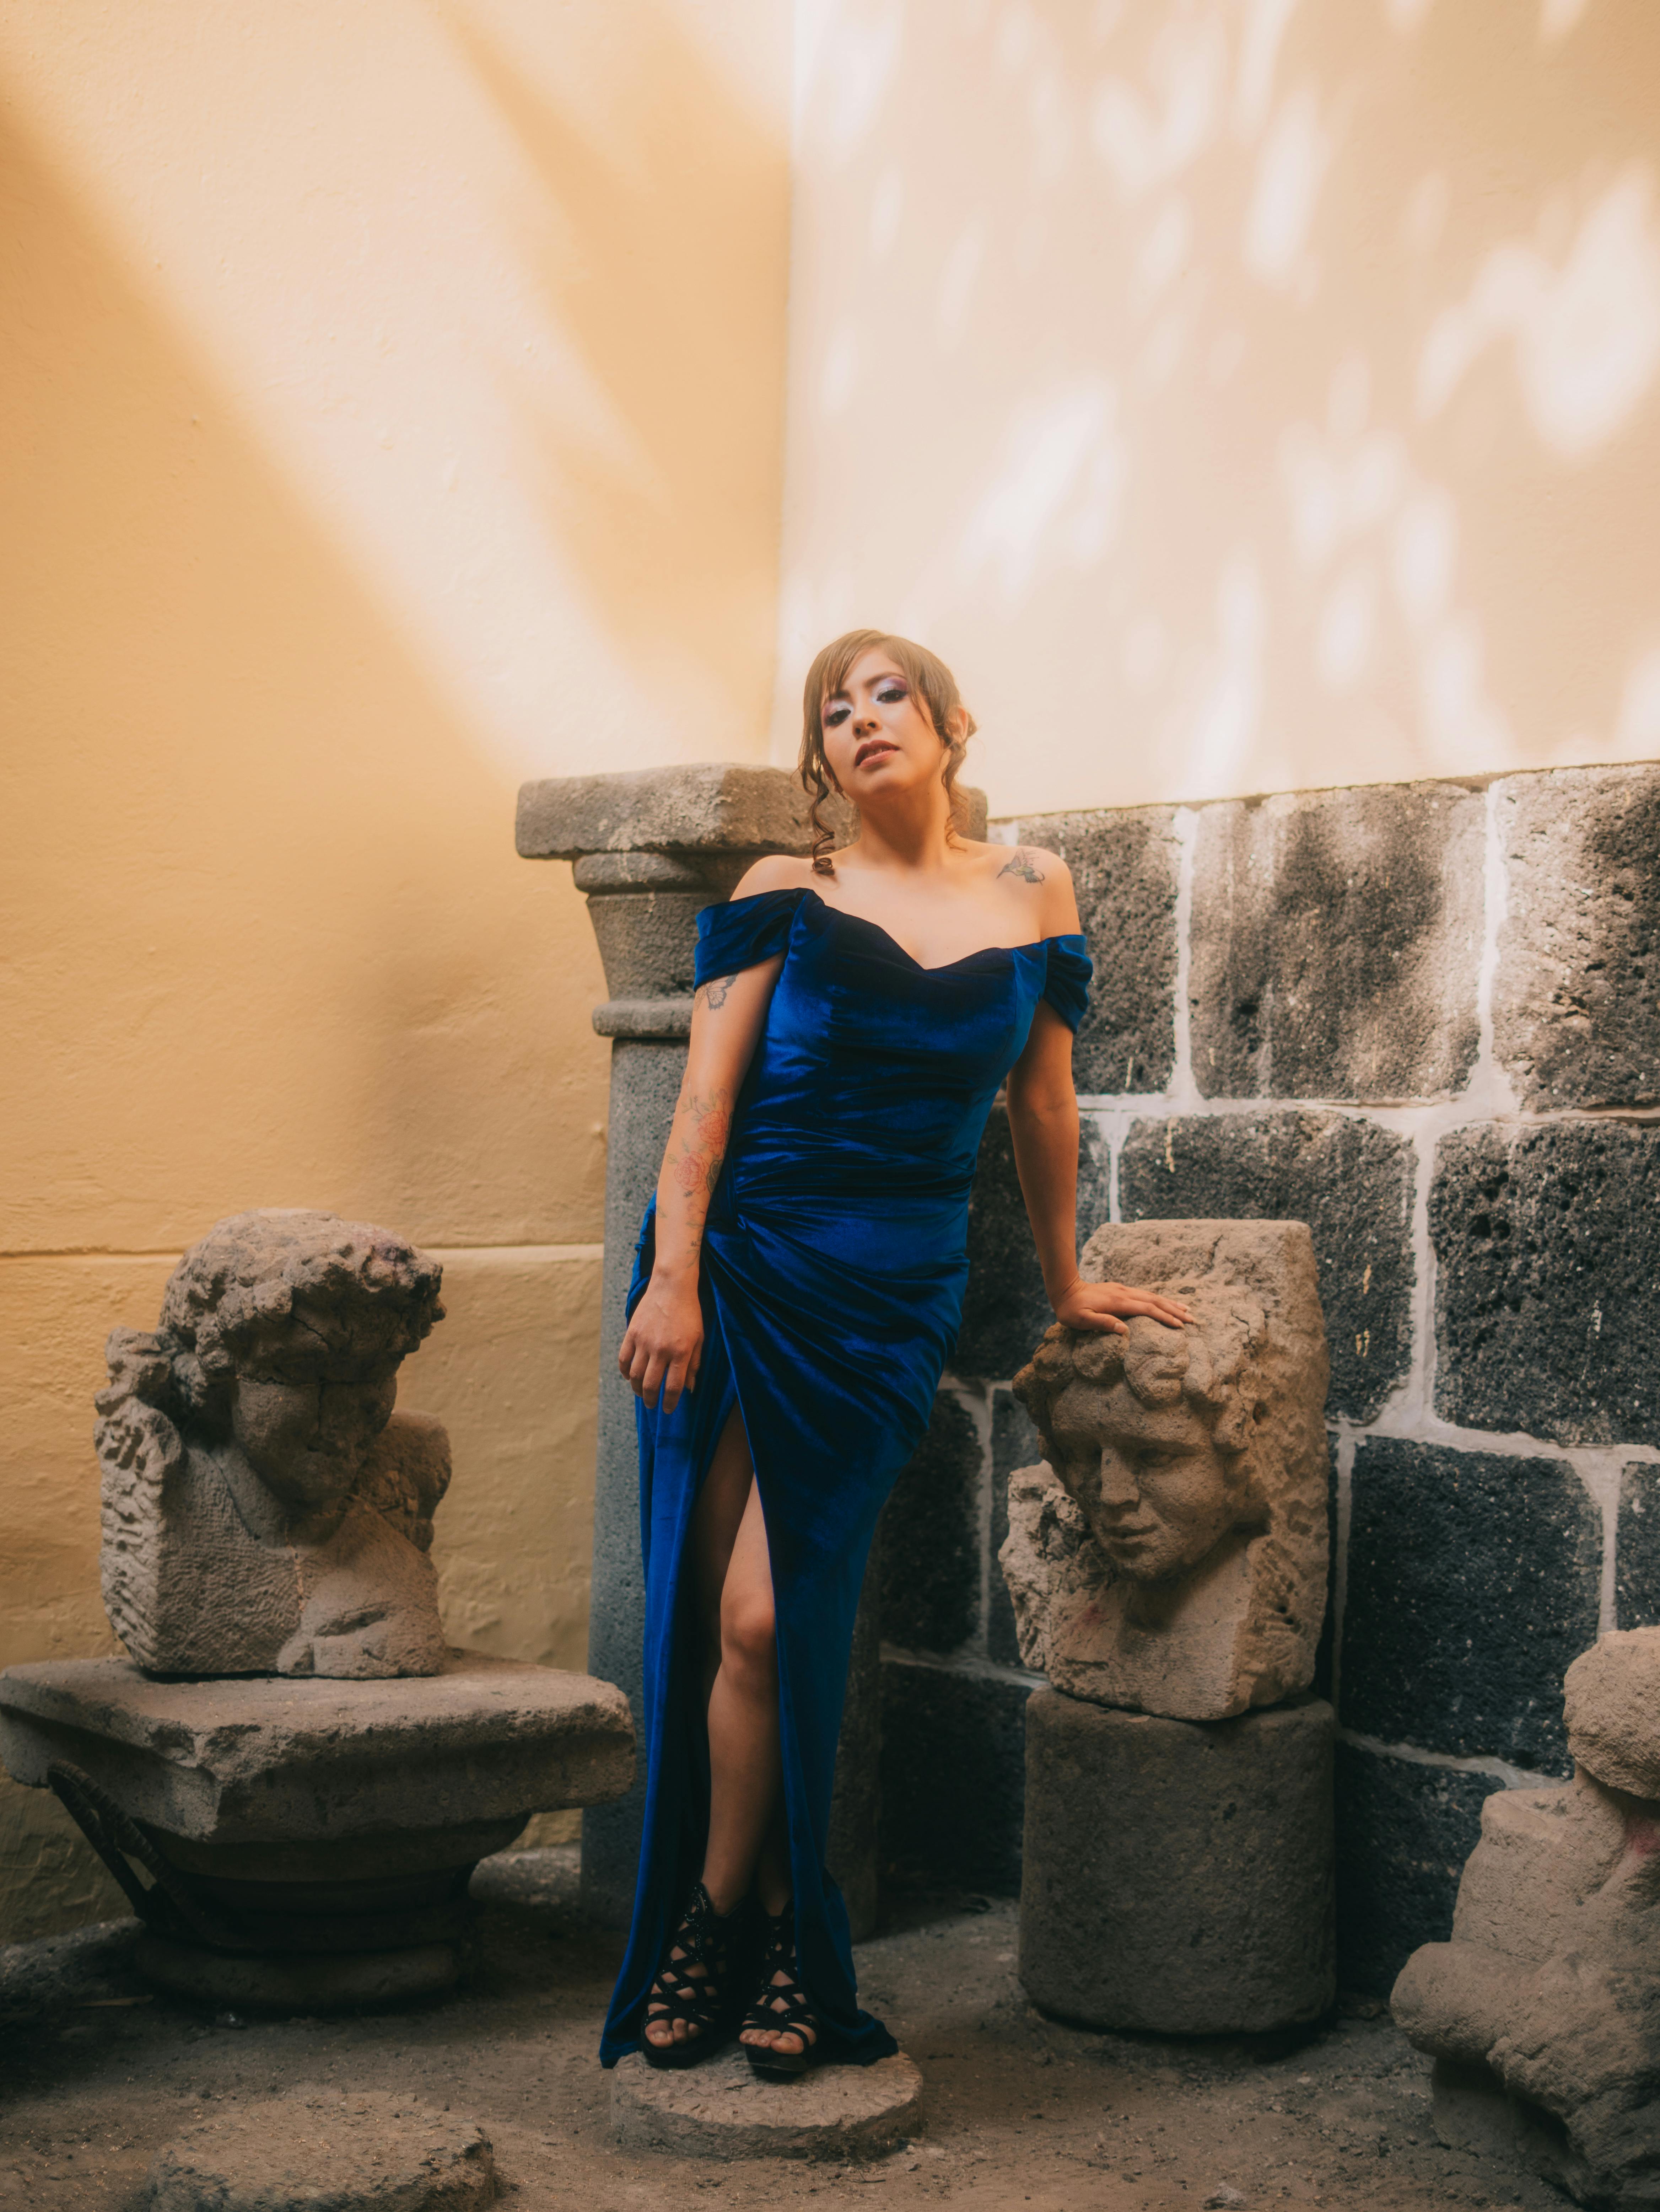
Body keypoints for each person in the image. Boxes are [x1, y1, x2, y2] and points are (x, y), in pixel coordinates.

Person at [599, 630, 1190, 2077]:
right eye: (832, 710)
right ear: (821, 760)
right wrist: (674, 1278)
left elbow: (1040, 1105)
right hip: (748, 1273)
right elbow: (702, 1112)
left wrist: (1065, 1281)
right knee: (734, 1618)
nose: (860, 721)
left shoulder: (1032, 886)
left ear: (949, 723)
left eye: (886, 695)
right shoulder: (780, 893)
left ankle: (733, 1910)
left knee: (778, 1614)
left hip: (890, 1298)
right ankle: (759, 1920)